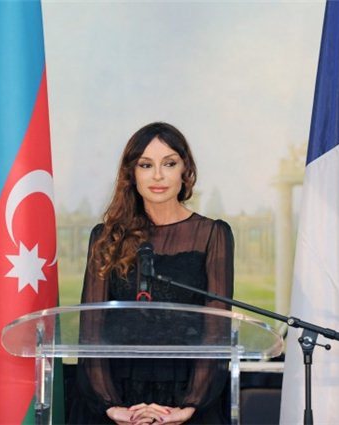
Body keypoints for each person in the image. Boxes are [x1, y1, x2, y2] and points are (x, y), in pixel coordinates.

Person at [69, 122, 234, 425]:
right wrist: (111, 406)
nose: (158, 175)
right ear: (131, 174)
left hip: (188, 398)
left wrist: (189, 406)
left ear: (185, 170)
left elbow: (216, 327)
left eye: (169, 164)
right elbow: (91, 328)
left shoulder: (213, 234)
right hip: (116, 398)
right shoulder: (106, 237)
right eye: (146, 165)